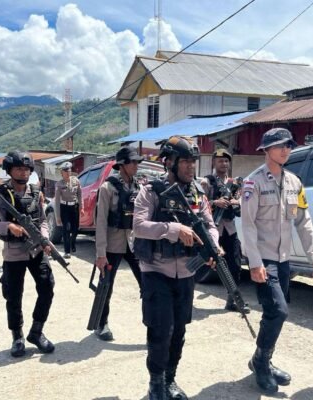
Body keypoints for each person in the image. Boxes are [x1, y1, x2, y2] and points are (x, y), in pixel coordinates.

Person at [133, 136, 219, 400]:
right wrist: (173, 229)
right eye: (185, 161)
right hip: (156, 270)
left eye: (193, 162)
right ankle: (156, 383)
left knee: (179, 330)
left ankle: (170, 379)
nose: (191, 166)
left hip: (187, 271)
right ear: (169, 162)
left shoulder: (198, 193)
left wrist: (214, 246)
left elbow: (210, 224)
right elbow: (139, 226)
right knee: (161, 330)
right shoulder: (151, 191)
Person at [241, 128, 313, 394]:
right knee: (279, 311)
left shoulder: (294, 182)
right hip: (265, 259)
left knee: (274, 312)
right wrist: (255, 262)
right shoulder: (253, 183)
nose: (286, 150)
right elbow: (248, 225)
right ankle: (261, 363)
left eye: (288, 145)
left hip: (284, 260)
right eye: (279, 146)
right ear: (266, 150)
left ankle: (262, 359)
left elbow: (303, 221)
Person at [0, 150, 56, 357]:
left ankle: (36, 332)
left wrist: (45, 239)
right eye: (19, 169)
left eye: (26, 169)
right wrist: (7, 226)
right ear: (9, 170)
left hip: (36, 251)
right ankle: (17, 336)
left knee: (47, 288)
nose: (23, 172)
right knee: (13, 296)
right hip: (13, 253)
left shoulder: (36, 192)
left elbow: (42, 220)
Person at [93, 146, 144, 341]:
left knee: (147, 282)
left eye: (137, 162)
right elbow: (100, 222)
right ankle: (101, 323)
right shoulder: (107, 188)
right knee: (106, 285)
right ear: (122, 165)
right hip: (112, 244)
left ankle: (154, 321)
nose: (136, 166)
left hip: (133, 243)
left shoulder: (139, 187)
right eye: (133, 162)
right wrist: (100, 253)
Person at [200, 148, 248, 313]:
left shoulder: (234, 184)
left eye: (226, 161)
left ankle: (233, 301)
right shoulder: (207, 182)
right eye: (220, 161)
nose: (224, 164)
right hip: (212, 229)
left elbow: (240, 205)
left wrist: (236, 203)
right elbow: (198, 203)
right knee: (202, 262)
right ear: (214, 162)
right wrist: (215, 202)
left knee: (235, 264)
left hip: (229, 229)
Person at [54, 161, 83, 258]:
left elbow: (80, 194)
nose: (67, 173)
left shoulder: (76, 181)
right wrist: (58, 216)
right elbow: (57, 201)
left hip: (74, 207)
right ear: (61, 173)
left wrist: (81, 207)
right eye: (65, 171)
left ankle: (72, 242)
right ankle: (67, 251)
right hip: (64, 208)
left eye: (69, 171)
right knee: (66, 229)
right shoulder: (59, 184)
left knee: (75, 229)